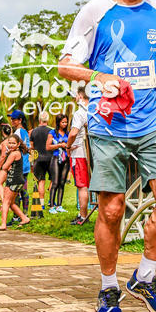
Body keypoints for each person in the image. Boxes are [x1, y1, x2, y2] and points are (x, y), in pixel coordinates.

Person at [58, 0, 156, 312]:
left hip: (154, 119)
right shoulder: (95, 11)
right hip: (108, 123)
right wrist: (100, 77)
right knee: (111, 211)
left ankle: (144, 277)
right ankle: (109, 285)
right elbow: (65, 66)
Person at [0, 135, 30, 230]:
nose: (11, 145)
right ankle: (24, 218)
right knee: (11, 203)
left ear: (18, 144)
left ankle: (3, 224)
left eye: (13, 143)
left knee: (6, 202)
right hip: (18, 181)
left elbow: (4, 167)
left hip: (14, 181)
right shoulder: (16, 153)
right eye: (9, 143)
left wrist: (5, 162)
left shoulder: (14, 154)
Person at [67, 88, 90, 225]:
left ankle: (83, 216)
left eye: (76, 95)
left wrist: (67, 146)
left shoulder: (79, 113)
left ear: (80, 96)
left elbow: (73, 133)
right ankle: (83, 214)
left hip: (79, 153)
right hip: (90, 153)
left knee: (82, 185)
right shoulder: (93, 110)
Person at [47, 114, 70, 214]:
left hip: (66, 159)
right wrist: (60, 145)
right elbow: (48, 147)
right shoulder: (52, 133)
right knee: (55, 182)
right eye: (63, 122)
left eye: (66, 122)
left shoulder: (68, 133)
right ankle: (51, 206)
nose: (65, 124)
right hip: (56, 158)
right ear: (58, 122)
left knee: (62, 182)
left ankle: (59, 205)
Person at [8, 110, 31, 213]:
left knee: (15, 192)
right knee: (23, 190)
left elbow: (14, 149)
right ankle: (25, 213)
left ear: (20, 120)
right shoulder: (25, 131)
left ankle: (17, 216)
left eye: (14, 119)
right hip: (25, 165)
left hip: (19, 165)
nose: (12, 121)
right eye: (11, 119)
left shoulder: (17, 132)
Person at [30, 112, 52, 210]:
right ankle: (51, 201)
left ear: (39, 120)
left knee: (41, 182)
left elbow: (31, 147)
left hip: (38, 159)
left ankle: (41, 204)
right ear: (47, 120)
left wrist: (32, 160)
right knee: (53, 180)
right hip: (50, 158)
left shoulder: (34, 131)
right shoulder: (51, 131)